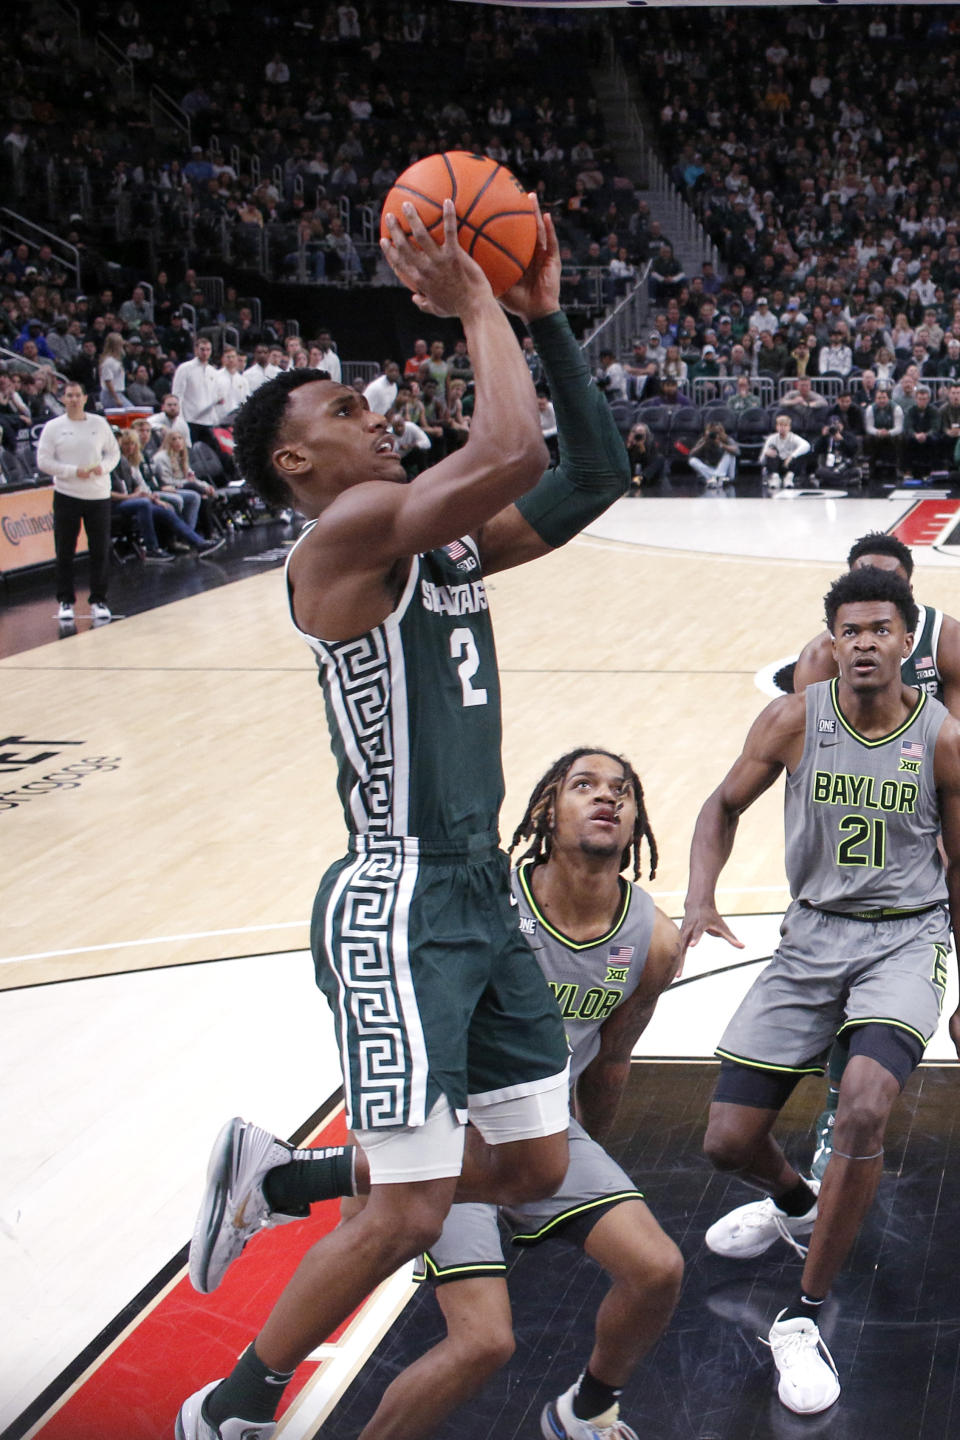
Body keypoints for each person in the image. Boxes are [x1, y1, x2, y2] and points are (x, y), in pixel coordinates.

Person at [176, 196, 630, 1440]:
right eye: (343, 415)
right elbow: (509, 452)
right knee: (415, 1211)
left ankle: (286, 1177)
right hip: (399, 899)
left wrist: (549, 323)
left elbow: (594, 469)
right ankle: (231, 1406)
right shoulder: (343, 538)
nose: (371, 419)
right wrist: (481, 300)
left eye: (369, 407)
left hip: (479, 892)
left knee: (537, 1169)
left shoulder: (447, 545)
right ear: (294, 463)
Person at [193, 750, 682, 1440]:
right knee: (483, 1341)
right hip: (447, 1118)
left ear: (636, 823)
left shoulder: (653, 939)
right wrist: (386, 1137)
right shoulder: (487, 906)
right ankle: (298, 1195)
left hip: (541, 1132)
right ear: (546, 810)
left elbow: (610, 1064)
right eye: (584, 786)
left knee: (657, 1268)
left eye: (622, 792)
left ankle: (588, 1409)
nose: (607, 799)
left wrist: (571, 1173)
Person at [680, 564, 960, 1416]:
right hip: (812, 936)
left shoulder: (942, 738)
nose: (865, 642)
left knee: (867, 1105)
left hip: (908, 936)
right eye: (851, 630)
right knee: (727, 1142)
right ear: (830, 641)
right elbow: (720, 806)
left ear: (908, 641)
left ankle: (801, 1318)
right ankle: (798, 1204)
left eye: (881, 629)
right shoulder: (795, 720)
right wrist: (700, 895)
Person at [792, 532, 960, 1176]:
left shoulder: (943, 637)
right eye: (860, 577)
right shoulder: (822, 657)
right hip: (857, 837)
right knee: (850, 988)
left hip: (929, 812)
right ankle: (837, 1109)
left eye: (887, 578)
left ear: (911, 587)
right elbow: (802, 765)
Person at [36, 379, 119, 624]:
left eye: (77, 395)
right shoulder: (53, 427)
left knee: (100, 550)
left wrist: (102, 468)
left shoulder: (99, 424)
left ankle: (99, 600)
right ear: (63, 399)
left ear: (85, 398)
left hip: (98, 495)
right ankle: (65, 601)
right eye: (69, 395)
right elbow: (43, 461)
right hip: (67, 495)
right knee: (64, 550)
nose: (73, 399)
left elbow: (113, 453)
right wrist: (72, 471)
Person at [760, 412, 811, 490]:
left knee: (800, 455)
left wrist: (792, 456)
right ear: (777, 427)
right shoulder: (772, 438)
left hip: (789, 465)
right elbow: (761, 460)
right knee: (770, 453)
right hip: (777, 465)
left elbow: (807, 445)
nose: (782, 428)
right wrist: (766, 453)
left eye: (785, 425)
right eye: (780, 425)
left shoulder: (793, 437)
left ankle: (789, 478)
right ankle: (775, 478)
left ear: (789, 427)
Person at [688, 420, 739, 489]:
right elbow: (691, 454)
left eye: (716, 432)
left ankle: (715, 478)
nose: (714, 435)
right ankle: (717, 479)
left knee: (729, 454)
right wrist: (704, 443)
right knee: (692, 460)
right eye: (712, 432)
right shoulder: (704, 440)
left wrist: (722, 445)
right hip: (711, 469)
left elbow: (738, 452)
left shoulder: (726, 439)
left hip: (726, 472)